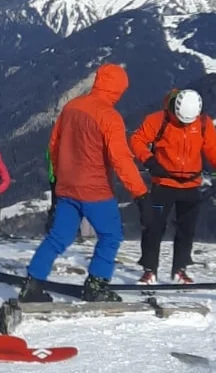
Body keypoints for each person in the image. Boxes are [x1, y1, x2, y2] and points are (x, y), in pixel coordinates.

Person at [20, 63, 149, 303]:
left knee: (58, 236)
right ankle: (96, 284)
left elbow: (54, 145)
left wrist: (57, 179)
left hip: (67, 187)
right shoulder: (110, 117)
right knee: (110, 236)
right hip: (95, 190)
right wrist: (141, 194)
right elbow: (121, 160)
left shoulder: (72, 106)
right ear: (119, 89)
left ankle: (32, 285)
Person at [128, 88, 216, 284]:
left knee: (186, 229)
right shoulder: (157, 120)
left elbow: (213, 151)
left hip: (190, 187)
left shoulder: (203, 124)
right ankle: (149, 270)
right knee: (154, 226)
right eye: (181, 119)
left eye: (189, 120)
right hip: (163, 186)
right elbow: (137, 140)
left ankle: (180, 270)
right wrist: (150, 161)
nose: (185, 123)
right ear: (174, 108)